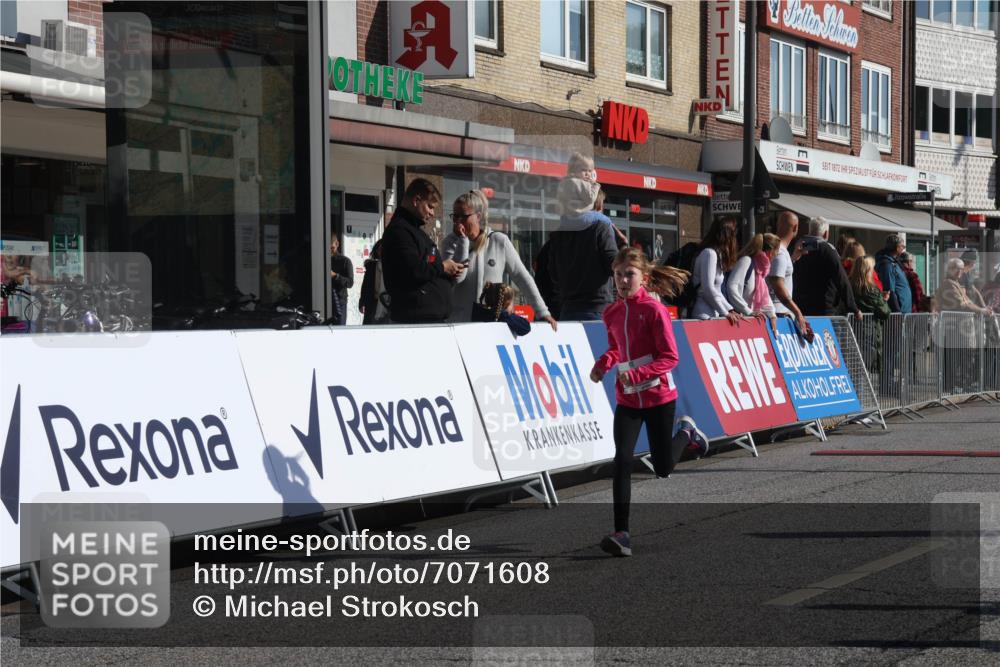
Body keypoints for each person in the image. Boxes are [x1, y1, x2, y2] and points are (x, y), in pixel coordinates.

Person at [589, 247, 689, 557]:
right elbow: (616, 349)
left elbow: (670, 357)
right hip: (629, 399)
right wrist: (604, 364)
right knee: (622, 459)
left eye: (629, 275)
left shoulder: (654, 310)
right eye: (618, 275)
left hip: (659, 397)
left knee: (662, 468)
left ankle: (687, 434)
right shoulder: (611, 313)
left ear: (643, 278)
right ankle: (622, 533)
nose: (622, 281)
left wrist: (639, 373)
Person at [440, 190, 557, 330]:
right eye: (455, 216)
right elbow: (458, 278)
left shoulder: (499, 241)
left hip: (492, 323)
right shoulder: (449, 242)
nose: (458, 221)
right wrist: (463, 241)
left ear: (478, 216)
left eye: (463, 216)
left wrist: (542, 312)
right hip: (461, 324)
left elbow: (522, 277)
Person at [380, 178, 466, 324]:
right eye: (430, 207)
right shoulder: (399, 231)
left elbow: (427, 270)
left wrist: (447, 275)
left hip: (426, 319)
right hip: (415, 322)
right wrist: (443, 267)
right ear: (416, 200)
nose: (432, 213)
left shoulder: (414, 231)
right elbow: (414, 270)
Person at [546, 175, 618, 320]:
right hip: (597, 308)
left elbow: (553, 273)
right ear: (597, 205)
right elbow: (614, 266)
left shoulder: (559, 233)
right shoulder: (601, 227)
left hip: (568, 309)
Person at [792, 217, 861, 318]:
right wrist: (853, 308)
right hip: (823, 308)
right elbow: (841, 279)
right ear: (826, 234)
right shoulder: (827, 250)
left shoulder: (797, 247)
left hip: (799, 307)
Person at [767, 211, 812, 339]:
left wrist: (793, 258)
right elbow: (778, 285)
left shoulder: (780, 251)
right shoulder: (780, 253)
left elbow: (779, 273)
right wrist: (797, 312)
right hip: (778, 314)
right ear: (795, 228)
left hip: (778, 313)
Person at [691, 216, 742, 323]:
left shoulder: (716, 254)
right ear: (727, 234)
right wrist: (725, 312)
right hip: (703, 315)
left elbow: (716, 291)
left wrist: (729, 309)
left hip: (712, 313)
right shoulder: (709, 254)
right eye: (734, 233)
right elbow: (707, 288)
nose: (735, 238)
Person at [725, 233, 781, 325]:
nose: (777, 254)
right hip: (736, 319)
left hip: (744, 319)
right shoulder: (746, 261)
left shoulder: (759, 269)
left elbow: (765, 296)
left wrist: (772, 315)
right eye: (777, 251)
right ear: (771, 251)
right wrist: (748, 311)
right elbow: (731, 287)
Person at [850, 256, 890, 378]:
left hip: (851, 329)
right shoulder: (871, 289)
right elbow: (884, 312)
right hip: (868, 331)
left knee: (854, 366)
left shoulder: (849, 285)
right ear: (867, 270)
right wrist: (884, 300)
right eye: (872, 268)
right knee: (864, 367)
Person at [874, 233, 912, 314]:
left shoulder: (895, 263)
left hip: (904, 311)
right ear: (897, 247)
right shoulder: (888, 265)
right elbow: (890, 291)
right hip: (899, 313)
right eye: (903, 246)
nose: (903, 249)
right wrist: (897, 312)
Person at [329, 236, 354, 326]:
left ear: (337, 244)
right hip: (325, 299)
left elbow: (350, 282)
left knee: (339, 328)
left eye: (332, 248)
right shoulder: (322, 260)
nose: (330, 251)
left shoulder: (345, 261)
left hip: (339, 300)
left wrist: (335, 276)